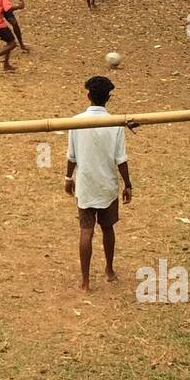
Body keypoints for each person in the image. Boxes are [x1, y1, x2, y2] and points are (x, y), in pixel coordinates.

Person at [64, 75, 132, 291]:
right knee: (108, 228)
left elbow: (71, 156)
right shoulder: (116, 124)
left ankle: (85, 282)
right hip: (107, 186)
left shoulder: (75, 122)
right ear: (108, 99)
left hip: (85, 184)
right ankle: (109, 270)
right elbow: (120, 159)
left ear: (88, 96)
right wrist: (128, 184)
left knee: (86, 231)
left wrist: (68, 178)